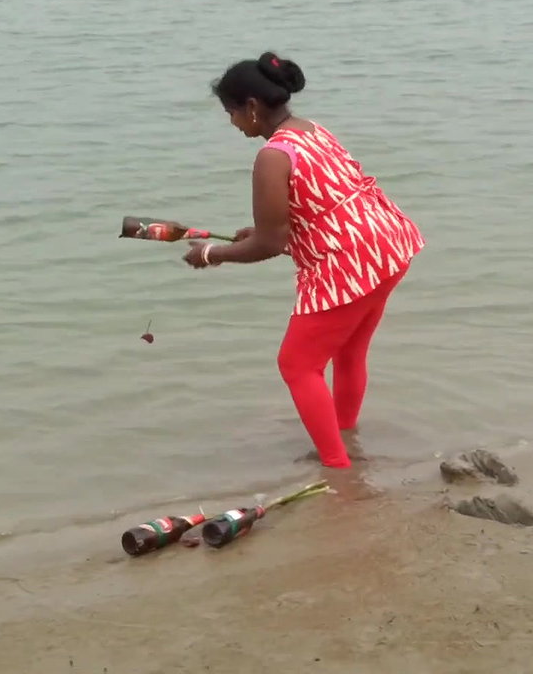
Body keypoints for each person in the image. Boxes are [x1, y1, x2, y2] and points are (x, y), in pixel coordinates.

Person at [181, 51, 425, 468]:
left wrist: (213, 253)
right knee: (349, 352)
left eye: (231, 112)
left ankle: (337, 467)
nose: (232, 122)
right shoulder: (311, 131)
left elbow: (271, 243)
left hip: (349, 262)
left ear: (252, 108)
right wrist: (254, 235)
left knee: (296, 365)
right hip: (388, 244)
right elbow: (316, 208)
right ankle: (344, 435)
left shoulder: (271, 157)